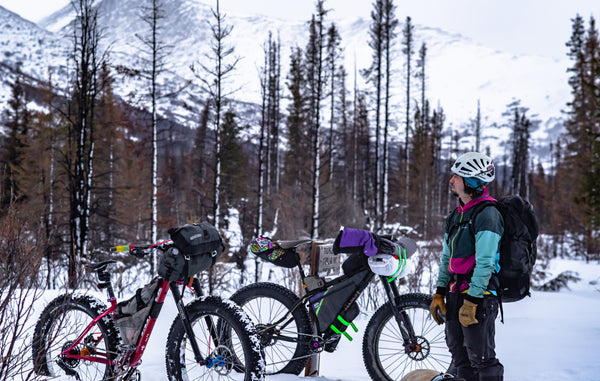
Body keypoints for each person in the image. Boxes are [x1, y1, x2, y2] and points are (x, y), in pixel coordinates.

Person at [429, 152, 504, 381]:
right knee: (460, 358)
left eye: (456, 176)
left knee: (482, 360)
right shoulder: (456, 215)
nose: (451, 180)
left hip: (478, 297)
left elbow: (486, 263)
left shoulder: (488, 214)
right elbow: (446, 258)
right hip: (454, 294)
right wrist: (440, 292)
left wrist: (472, 301)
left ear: (470, 181)